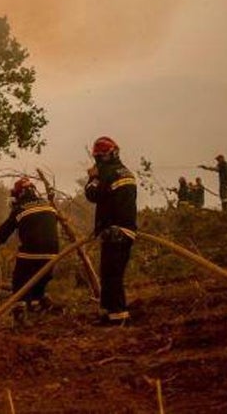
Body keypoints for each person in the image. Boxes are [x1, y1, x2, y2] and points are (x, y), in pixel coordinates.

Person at [0, 176, 60, 324]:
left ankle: (19, 315)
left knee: (19, 280)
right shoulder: (48, 205)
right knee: (40, 281)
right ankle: (37, 307)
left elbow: (5, 231)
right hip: (53, 254)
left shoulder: (20, 209)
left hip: (31, 252)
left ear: (20, 194)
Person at [84, 136, 138, 326]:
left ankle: (119, 317)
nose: (97, 161)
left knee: (112, 276)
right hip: (126, 230)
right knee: (109, 274)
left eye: (98, 157)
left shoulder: (106, 172)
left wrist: (92, 177)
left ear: (103, 156)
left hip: (114, 231)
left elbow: (92, 194)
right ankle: (108, 314)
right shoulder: (126, 172)